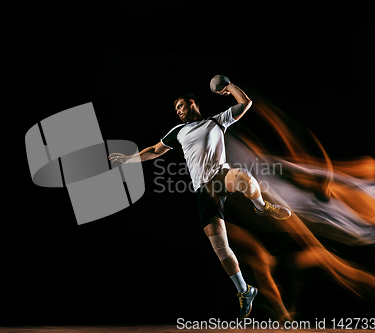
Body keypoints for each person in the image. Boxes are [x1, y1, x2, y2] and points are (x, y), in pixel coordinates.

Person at [108, 80, 291, 319]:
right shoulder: (177, 132)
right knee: (220, 248)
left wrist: (229, 86)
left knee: (244, 177)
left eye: (181, 106)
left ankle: (262, 207)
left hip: (221, 176)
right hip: (203, 190)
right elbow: (153, 150)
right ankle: (245, 291)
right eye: (176, 109)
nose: (178, 110)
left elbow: (245, 103)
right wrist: (128, 159)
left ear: (192, 102)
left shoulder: (216, 121)